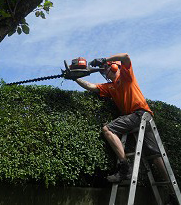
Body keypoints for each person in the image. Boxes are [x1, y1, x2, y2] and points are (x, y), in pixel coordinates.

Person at [70, 53, 167, 183]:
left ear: (115, 67)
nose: (104, 72)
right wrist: (76, 78)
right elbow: (91, 87)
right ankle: (171, 193)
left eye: (106, 69)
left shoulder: (126, 76)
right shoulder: (110, 87)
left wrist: (104, 59)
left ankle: (125, 168)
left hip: (140, 114)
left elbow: (126, 56)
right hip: (139, 118)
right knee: (154, 154)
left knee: (107, 130)